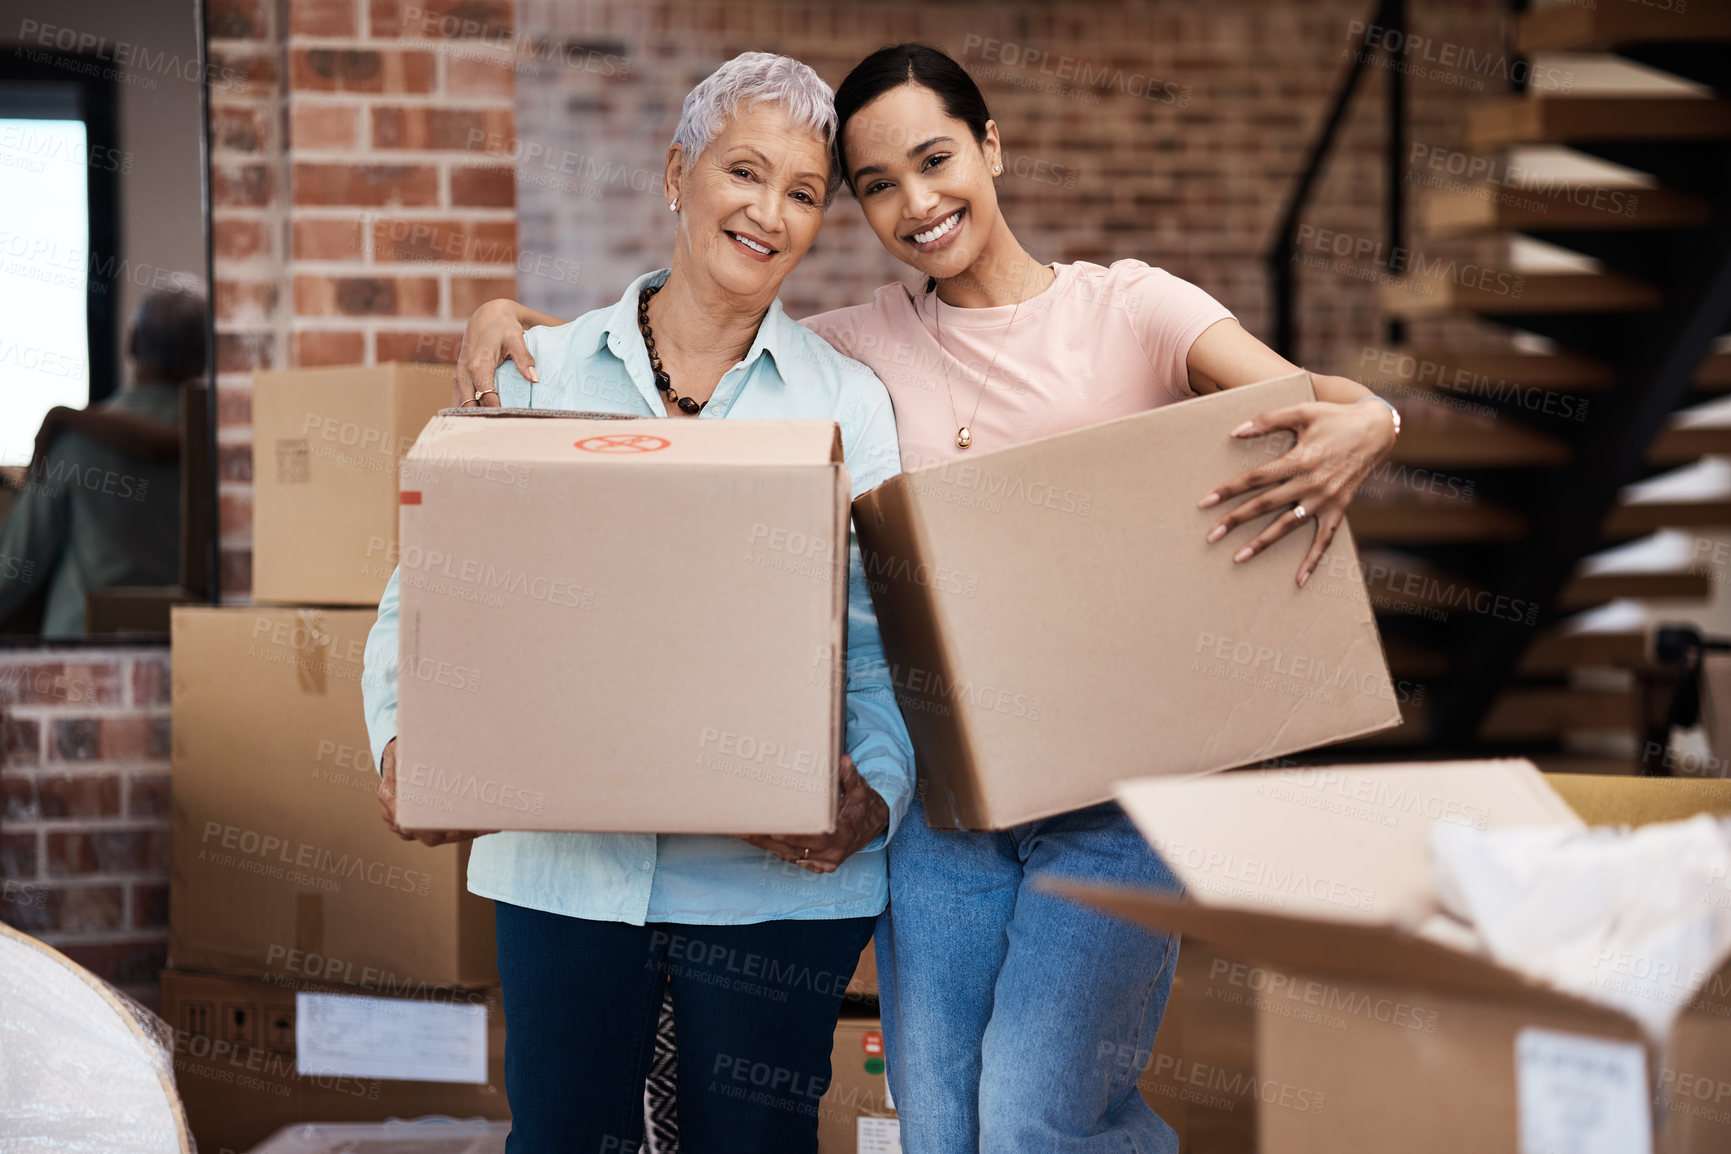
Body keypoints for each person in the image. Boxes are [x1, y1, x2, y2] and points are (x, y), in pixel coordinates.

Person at [455, 43, 1400, 1154]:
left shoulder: (1134, 308)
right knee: (940, 1123)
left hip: (1115, 798)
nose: (917, 203)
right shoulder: (860, 352)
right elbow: (703, 337)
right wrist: (504, 317)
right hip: (954, 808)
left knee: (1036, 1114)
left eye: (936, 159)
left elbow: (1307, 400)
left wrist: (1374, 420)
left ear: (992, 148)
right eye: (873, 186)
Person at [361, 52, 915, 1154]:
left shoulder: (849, 404)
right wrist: (400, 745)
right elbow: (423, 602)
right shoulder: (538, 374)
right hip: (566, 877)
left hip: (772, 898)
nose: (767, 212)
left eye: (803, 192)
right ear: (678, 173)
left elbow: (882, 648)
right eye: (743, 171)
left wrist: (874, 798)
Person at [0, 288, 201, 636]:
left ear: (132, 344)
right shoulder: (220, 447)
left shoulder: (75, 442)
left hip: (84, 652)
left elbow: (15, 569)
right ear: (204, 358)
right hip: (193, 648)